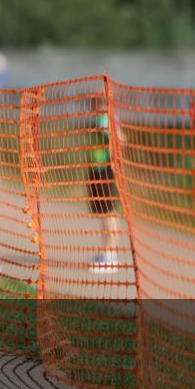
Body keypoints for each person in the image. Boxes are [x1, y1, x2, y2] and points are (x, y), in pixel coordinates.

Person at [88, 95, 123, 273]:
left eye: (97, 101)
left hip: (105, 170)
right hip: (96, 170)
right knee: (103, 212)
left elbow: (119, 140)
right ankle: (107, 253)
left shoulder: (107, 119)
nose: (92, 105)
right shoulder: (97, 119)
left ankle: (111, 254)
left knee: (108, 212)